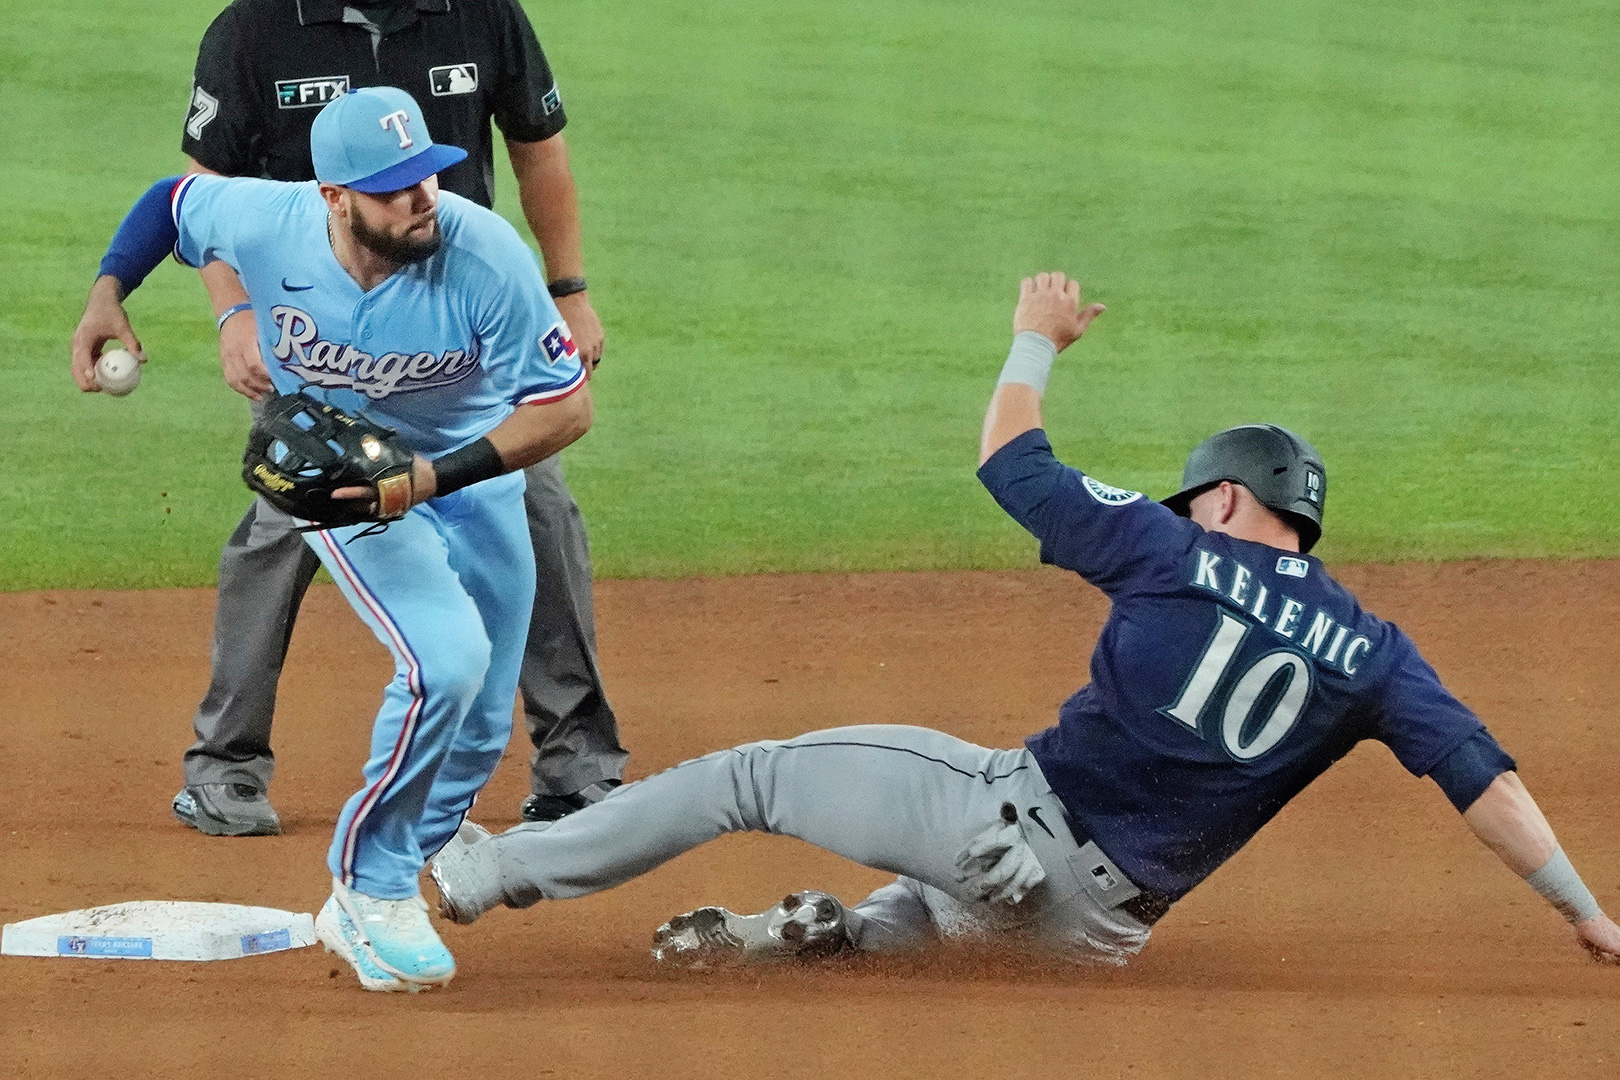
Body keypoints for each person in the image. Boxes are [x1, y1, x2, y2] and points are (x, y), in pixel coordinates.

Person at [427, 272, 1620, 970]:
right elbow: (1486, 785)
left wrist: (1035, 340)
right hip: (1095, 934)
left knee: (751, 776)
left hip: (1005, 827)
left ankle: (495, 873)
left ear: (1224, 500)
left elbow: (1011, 460)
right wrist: (1588, 913)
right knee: (927, 919)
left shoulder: (1176, 547)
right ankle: (812, 936)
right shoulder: (1373, 651)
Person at [76, 87, 593, 991]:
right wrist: (107, 293)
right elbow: (170, 201)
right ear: (333, 197)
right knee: (445, 662)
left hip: (471, 478)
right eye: (392, 190)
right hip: (346, 486)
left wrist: (433, 479)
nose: (421, 199)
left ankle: (403, 856)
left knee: (477, 731)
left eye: (425, 178)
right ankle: (370, 889)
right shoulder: (269, 219)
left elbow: (564, 409)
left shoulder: (485, 257)